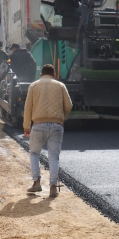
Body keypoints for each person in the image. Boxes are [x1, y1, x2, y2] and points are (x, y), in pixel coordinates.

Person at [24, 64, 72, 198]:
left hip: (38, 124)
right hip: (57, 125)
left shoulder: (33, 86)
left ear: (41, 75)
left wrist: (26, 127)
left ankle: (37, 182)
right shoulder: (60, 85)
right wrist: (61, 117)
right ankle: (53, 187)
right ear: (54, 75)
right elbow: (69, 105)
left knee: (34, 153)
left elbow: (28, 108)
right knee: (53, 157)